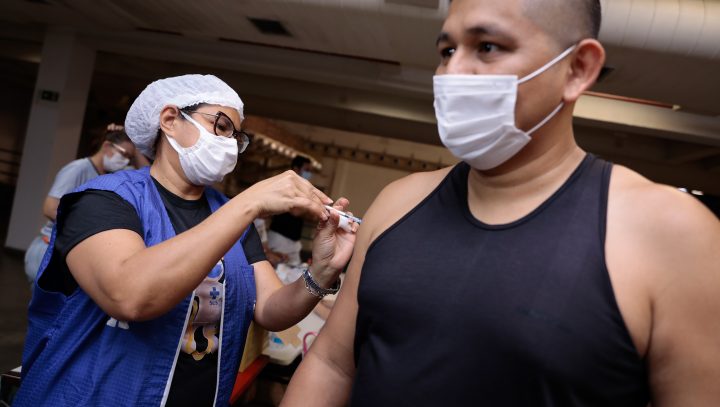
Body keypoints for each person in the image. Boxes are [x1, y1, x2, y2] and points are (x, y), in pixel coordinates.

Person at [282, 0, 720, 406]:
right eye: (447, 51)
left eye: (487, 47)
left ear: (577, 69)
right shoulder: (398, 203)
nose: (453, 72)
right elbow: (332, 364)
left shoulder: (671, 234)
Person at [14, 74, 357, 406]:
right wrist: (249, 202)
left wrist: (322, 271)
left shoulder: (233, 219)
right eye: (221, 126)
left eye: (236, 136)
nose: (229, 144)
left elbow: (270, 309)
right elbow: (129, 296)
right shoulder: (105, 200)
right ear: (169, 120)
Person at [23, 127, 136, 283]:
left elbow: (144, 169)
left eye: (130, 158)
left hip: (69, 252)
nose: (126, 161)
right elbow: (50, 208)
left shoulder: (106, 176)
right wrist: (86, 229)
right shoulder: (78, 169)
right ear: (106, 146)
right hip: (48, 249)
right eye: (124, 154)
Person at [266, 155, 315, 265]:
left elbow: (311, 215)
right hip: (280, 237)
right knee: (276, 269)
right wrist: (310, 205)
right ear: (296, 169)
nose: (309, 173)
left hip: (294, 240)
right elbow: (295, 211)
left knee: (295, 270)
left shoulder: (302, 188)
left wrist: (308, 207)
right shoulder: (286, 185)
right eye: (307, 170)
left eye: (310, 171)